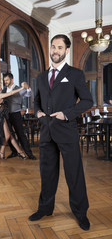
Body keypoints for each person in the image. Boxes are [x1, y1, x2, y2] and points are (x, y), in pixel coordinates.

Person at [28, 34, 93, 231]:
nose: (55, 50)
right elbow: (37, 100)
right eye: (53, 47)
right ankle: (45, 208)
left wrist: (66, 114)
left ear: (66, 50)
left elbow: (88, 101)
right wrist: (37, 112)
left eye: (59, 47)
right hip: (46, 132)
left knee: (74, 174)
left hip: (67, 131)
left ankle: (81, 213)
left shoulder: (75, 74)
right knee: (47, 173)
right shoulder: (40, 77)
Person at [3, 72, 36, 160]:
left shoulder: (18, 89)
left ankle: (29, 154)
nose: (5, 82)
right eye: (4, 80)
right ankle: (14, 152)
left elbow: (29, 94)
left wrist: (28, 87)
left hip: (16, 114)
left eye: (7, 80)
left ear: (12, 79)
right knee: (9, 135)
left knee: (21, 134)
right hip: (7, 115)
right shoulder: (4, 90)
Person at [0, 81, 27, 160]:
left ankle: (20, 153)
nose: (1, 85)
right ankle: (2, 152)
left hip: (3, 116)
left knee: (10, 136)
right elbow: (11, 93)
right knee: (7, 135)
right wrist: (22, 88)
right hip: (1, 117)